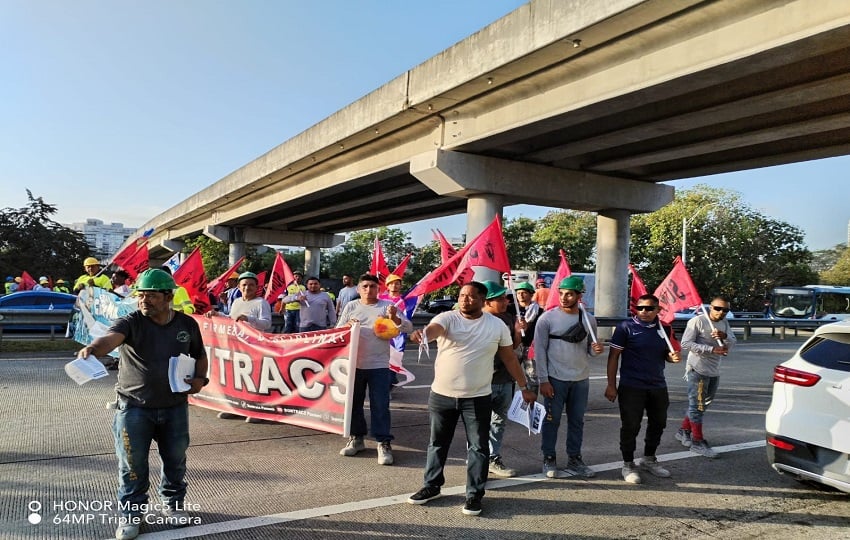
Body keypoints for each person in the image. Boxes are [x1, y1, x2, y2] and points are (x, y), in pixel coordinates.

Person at [75, 268, 208, 540]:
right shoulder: (130, 321)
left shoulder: (186, 325)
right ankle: (131, 515)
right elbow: (109, 339)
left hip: (174, 407)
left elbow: (199, 355)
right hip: (133, 407)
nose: (144, 301)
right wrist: (94, 349)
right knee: (132, 464)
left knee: (175, 460)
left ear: (168, 297)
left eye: (151, 296)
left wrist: (199, 380)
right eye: (140, 295)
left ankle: (172, 505)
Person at [407, 282, 536, 517]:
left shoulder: (496, 325)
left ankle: (474, 494)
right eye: (462, 295)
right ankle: (431, 486)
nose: (465, 300)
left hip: (477, 398)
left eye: (471, 296)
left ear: (483, 299)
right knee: (437, 443)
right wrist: (422, 334)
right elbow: (433, 330)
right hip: (442, 395)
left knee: (478, 447)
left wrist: (524, 386)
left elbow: (509, 359)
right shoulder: (447, 318)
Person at [337, 273, 413, 465]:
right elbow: (338, 331)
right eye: (365, 286)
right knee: (354, 404)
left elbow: (408, 327)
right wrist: (347, 326)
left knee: (380, 404)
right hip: (354, 363)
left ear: (379, 289)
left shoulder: (386, 307)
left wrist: (394, 318)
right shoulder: (351, 306)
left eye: (372, 286)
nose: (368, 290)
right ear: (358, 289)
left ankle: (383, 442)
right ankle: (357, 438)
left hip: (379, 364)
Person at [605, 294, 681, 484]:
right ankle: (628, 464)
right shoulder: (626, 327)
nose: (643, 312)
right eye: (640, 308)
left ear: (658, 310)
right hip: (632, 386)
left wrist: (673, 358)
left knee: (659, 423)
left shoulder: (665, 328)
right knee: (631, 425)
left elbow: (667, 355)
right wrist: (611, 385)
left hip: (658, 385)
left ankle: (649, 459)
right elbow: (613, 357)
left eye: (648, 308)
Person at [535, 276, 604, 479]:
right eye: (562, 293)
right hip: (555, 378)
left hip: (581, 379)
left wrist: (597, 349)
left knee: (577, 421)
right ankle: (549, 457)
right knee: (551, 420)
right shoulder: (547, 318)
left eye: (569, 294)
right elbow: (539, 351)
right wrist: (543, 380)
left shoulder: (589, 319)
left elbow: (590, 351)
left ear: (579, 296)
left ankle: (575, 458)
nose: (564, 297)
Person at [207, 271, 273, 423]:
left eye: (251, 285)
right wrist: (217, 315)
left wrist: (249, 319)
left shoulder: (261, 303)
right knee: (237, 378)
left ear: (257, 287)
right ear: (239, 286)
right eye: (244, 285)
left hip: (254, 347)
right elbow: (231, 319)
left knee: (254, 380)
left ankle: (257, 411)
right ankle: (236, 408)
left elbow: (267, 323)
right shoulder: (236, 302)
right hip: (236, 346)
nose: (247, 288)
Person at [675, 296, 736, 459]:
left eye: (725, 310)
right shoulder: (698, 321)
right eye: (718, 308)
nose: (721, 312)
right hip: (698, 369)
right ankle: (697, 442)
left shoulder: (724, 323)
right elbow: (686, 344)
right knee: (697, 406)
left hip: (714, 370)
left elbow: (732, 341)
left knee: (703, 404)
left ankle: (683, 431)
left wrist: (724, 337)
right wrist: (710, 349)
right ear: (711, 307)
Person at [480, 280, 523, 478]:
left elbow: (513, 348)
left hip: (505, 380)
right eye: (500, 299)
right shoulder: (476, 320)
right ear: (487, 302)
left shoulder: (507, 317)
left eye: (505, 298)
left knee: (498, 421)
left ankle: (493, 458)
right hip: (482, 381)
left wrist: (517, 331)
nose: (506, 301)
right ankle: (477, 461)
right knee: (478, 424)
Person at [379, 274, 406, 393]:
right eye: (391, 283)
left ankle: (391, 381)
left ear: (400, 285)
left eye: (397, 283)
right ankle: (388, 386)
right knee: (383, 361)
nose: (394, 285)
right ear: (387, 286)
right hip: (383, 333)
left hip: (398, 336)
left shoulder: (405, 300)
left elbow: (406, 317)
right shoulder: (381, 298)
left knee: (395, 361)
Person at [514, 281, 541, 392]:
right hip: (514, 346)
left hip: (530, 346)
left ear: (531, 294)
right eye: (518, 293)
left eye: (524, 292)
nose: (520, 295)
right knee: (509, 375)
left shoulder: (539, 310)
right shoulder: (511, 308)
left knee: (532, 375)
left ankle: (532, 402)